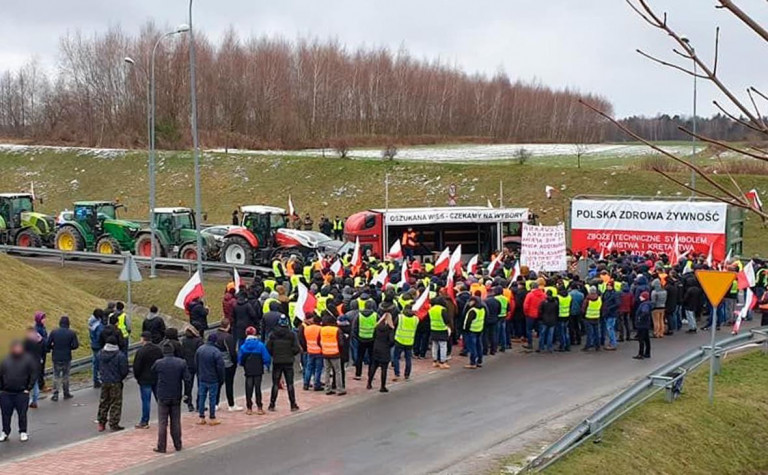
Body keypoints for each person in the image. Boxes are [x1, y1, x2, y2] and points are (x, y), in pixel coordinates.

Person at [152, 342, 190, 453]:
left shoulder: (159, 363)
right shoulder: (181, 363)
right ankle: (178, 444)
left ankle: (161, 446)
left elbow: (153, 373)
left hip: (163, 395)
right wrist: (187, 393)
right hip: (176, 395)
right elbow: (187, 379)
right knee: (175, 421)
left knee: (163, 422)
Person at [0, 340, 38, 442]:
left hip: (21, 392)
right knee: (5, 414)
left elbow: (33, 374)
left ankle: (23, 431)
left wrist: (28, 388)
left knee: (22, 414)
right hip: (6, 393)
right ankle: (5, 432)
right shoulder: (5, 360)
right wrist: (1, 388)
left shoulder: (28, 359)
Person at [266, 317, 300, 412]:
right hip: (288, 361)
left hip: (277, 361)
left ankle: (272, 404)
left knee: (275, 383)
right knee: (290, 384)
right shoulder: (292, 334)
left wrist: (274, 354)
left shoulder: (273, 334)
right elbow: (297, 348)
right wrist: (291, 353)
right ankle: (293, 404)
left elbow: (268, 347)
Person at [96, 336, 129, 432]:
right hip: (116, 382)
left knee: (104, 402)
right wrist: (120, 378)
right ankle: (114, 423)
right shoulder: (120, 355)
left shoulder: (100, 354)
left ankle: (101, 423)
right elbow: (124, 370)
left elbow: (97, 366)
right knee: (116, 403)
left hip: (104, 381)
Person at [237, 326, 271, 415]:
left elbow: (240, 360)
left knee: (248, 388)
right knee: (258, 388)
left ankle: (249, 408)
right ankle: (259, 407)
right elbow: (266, 357)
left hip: (248, 370)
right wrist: (266, 365)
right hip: (258, 369)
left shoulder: (243, 347)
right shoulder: (260, 345)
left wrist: (243, 364)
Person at [133, 332, 163, 429]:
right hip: (156, 377)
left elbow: (136, 367)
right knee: (160, 399)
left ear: (143, 339)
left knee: (146, 401)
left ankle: (144, 421)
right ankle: (164, 418)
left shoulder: (141, 351)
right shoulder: (158, 349)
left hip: (144, 379)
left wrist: (138, 377)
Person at [195, 334, 225, 426]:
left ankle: (201, 417)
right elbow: (220, 367)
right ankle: (212, 417)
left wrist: (199, 374)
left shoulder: (200, 349)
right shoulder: (216, 352)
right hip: (213, 378)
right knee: (212, 398)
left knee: (202, 397)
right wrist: (221, 378)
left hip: (202, 378)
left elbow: (196, 363)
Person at [47, 315, 79, 401]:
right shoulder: (72, 333)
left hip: (56, 356)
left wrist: (52, 347)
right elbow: (76, 345)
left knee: (56, 375)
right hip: (66, 356)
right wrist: (69, 347)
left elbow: (48, 344)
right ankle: (66, 392)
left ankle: (55, 394)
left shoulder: (54, 332)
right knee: (66, 375)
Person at [215, 319, 242, 412]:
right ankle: (231, 404)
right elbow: (232, 352)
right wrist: (235, 362)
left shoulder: (215, 335)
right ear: (228, 326)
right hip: (228, 364)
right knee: (229, 384)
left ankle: (215, 403)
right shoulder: (228, 337)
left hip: (217, 363)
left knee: (218, 384)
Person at [367, 314, 395, 393]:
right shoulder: (390, 329)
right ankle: (382, 386)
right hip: (385, 349)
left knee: (374, 366)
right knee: (384, 369)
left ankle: (369, 383)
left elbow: (373, 337)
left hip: (376, 348)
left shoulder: (377, 327)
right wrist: (388, 345)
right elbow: (392, 341)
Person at [320, 312, 346, 395]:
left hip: (325, 353)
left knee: (327, 371)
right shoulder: (337, 330)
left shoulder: (322, 329)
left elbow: (318, 341)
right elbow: (341, 343)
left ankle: (327, 389)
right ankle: (339, 389)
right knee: (338, 371)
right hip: (335, 353)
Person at [353, 300, 378, 380]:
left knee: (359, 357)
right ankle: (371, 374)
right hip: (372, 339)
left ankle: (358, 374)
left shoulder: (359, 315)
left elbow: (355, 328)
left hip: (361, 339)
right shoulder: (375, 315)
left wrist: (357, 337)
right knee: (372, 358)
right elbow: (379, 326)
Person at [299, 315, 324, 391]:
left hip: (310, 350)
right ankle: (317, 384)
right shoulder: (320, 329)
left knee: (308, 368)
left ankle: (306, 384)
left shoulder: (306, 328)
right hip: (319, 351)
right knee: (318, 369)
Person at [181, 326, 203, 412]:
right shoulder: (199, 340)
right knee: (200, 385)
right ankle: (199, 404)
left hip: (188, 364)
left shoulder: (184, 341)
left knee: (188, 385)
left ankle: (189, 404)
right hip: (198, 364)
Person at [392, 308, 418, 381]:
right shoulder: (416, 319)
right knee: (408, 359)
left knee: (396, 357)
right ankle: (407, 375)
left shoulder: (400, 317)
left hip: (399, 340)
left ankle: (397, 374)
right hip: (410, 341)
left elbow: (394, 325)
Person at [23, 327, 45, 408]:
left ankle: (27, 400)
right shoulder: (38, 341)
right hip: (36, 365)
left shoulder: (25, 343)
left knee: (27, 384)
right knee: (34, 383)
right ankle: (34, 401)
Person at [463, 297, 485, 369]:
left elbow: (468, 322)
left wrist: (465, 329)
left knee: (472, 347)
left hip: (472, 330)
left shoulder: (472, 311)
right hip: (479, 329)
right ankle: (479, 361)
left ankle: (473, 362)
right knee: (479, 346)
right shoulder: (482, 309)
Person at [428, 297, 451, 369]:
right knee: (443, 346)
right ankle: (442, 362)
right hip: (442, 329)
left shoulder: (431, 309)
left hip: (433, 329)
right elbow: (447, 320)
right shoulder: (443, 309)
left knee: (435, 346)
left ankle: (435, 361)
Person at [522, 282, 546, 350]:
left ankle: (530, 344)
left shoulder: (530, 295)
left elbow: (525, 306)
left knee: (529, 330)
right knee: (540, 330)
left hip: (530, 315)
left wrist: (526, 313)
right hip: (540, 315)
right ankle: (541, 345)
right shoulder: (543, 295)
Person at [88, 309, 105, 388]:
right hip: (98, 345)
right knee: (99, 363)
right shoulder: (99, 325)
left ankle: (96, 379)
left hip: (93, 344)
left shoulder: (91, 322)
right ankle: (98, 380)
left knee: (95, 362)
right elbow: (100, 336)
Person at [582, 287, 602, 352]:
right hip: (596, 317)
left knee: (589, 333)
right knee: (597, 333)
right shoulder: (599, 299)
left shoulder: (587, 299)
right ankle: (597, 346)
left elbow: (583, 309)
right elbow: (601, 307)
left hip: (589, 317)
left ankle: (587, 346)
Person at [634, 291, 653, 360]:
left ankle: (640, 354)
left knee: (641, 339)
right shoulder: (648, 304)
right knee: (646, 339)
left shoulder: (644, 305)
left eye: (641, 296)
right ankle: (647, 353)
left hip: (642, 324)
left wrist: (639, 318)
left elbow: (645, 312)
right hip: (646, 324)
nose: (640, 297)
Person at [33, 312, 48, 393]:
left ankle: (41, 384)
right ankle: (40, 385)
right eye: (43, 318)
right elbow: (40, 340)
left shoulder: (42, 327)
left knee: (42, 368)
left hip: (43, 350)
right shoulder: (37, 329)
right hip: (39, 352)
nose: (44, 320)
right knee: (40, 369)